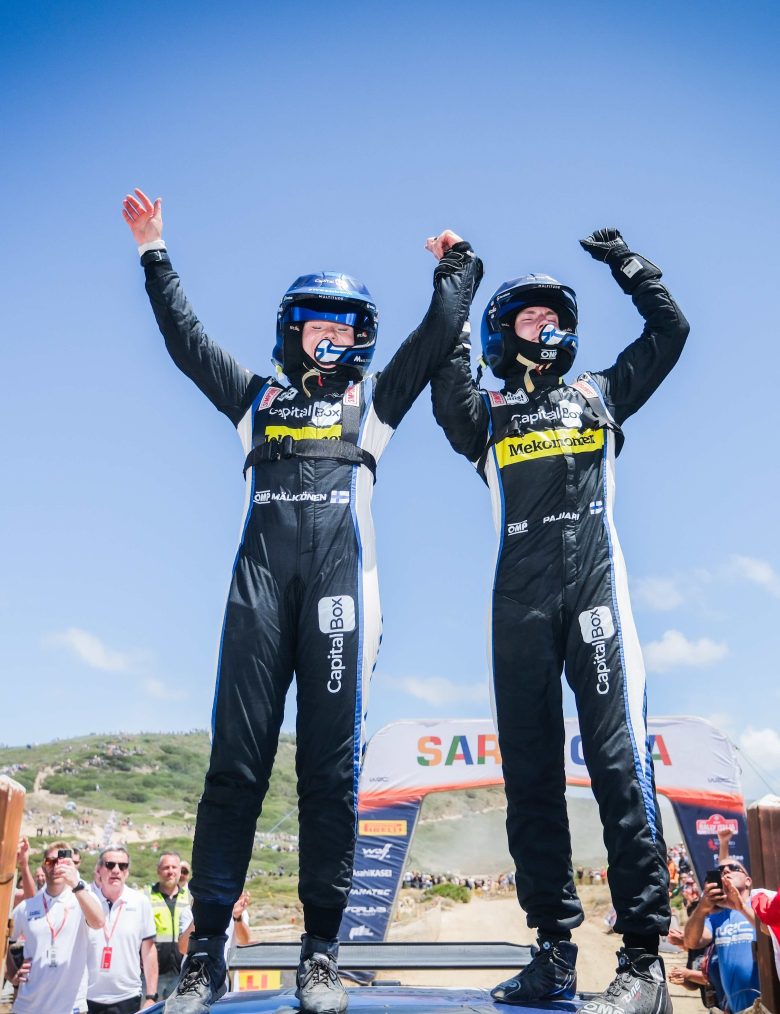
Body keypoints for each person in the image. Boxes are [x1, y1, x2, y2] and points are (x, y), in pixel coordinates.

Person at [122, 188, 481, 1014]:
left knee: (328, 777)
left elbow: (437, 334)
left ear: (362, 340)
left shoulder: (373, 405)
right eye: (320, 325)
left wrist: (458, 266)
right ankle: (205, 957)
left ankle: (320, 956)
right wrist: (153, 250)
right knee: (234, 770)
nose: (333, 339)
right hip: (257, 597)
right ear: (292, 332)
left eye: (346, 329)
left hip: (341, 603)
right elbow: (186, 341)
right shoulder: (255, 400)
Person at [430, 228, 689, 1013]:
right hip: (518, 609)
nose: (546, 326)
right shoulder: (485, 415)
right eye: (531, 317)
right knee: (531, 782)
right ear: (503, 333)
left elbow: (671, 331)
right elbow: (445, 377)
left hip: (597, 600)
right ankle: (552, 954)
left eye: (555, 316)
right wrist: (455, 278)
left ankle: (643, 963)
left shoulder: (599, 394)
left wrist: (627, 265)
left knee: (618, 770)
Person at [11, 841, 105, 1014]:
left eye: (62, 861)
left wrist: (76, 884)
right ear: (43, 865)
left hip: (69, 1007)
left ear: (73, 865)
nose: (56, 866)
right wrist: (12, 974)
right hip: (28, 1006)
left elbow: (99, 922)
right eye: (50, 861)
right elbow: (4, 940)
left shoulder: (83, 898)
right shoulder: (28, 906)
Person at [86, 847, 158, 1013]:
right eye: (110, 865)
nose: (116, 870)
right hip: (87, 996)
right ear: (99, 870)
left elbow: (148, 950)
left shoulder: (140, 901)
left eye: (122, 866)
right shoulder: (86, 900)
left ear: (127, 872)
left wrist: (151, 995)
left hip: (127, 996)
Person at [683, 859, 760, 1014]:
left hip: (764, 1005)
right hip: (732, 1009)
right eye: (721, 869)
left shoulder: (759, 907)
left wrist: (742, 908)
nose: (725, 870)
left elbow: (769, 931)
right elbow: (691, 942)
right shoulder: (716, 917)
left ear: (748, 881)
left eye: (733, 867)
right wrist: (702, 908)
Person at [144, 853, 190, 1002]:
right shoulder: (146, 897)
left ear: (180, 870)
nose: (170, 871)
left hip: (181, 974)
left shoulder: (189, 898)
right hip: (151, 975)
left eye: (174, 867)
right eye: (166, 867)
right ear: (158, 871)